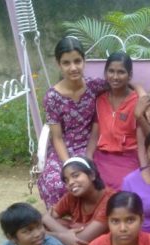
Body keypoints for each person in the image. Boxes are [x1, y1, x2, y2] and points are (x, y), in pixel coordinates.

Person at [37, 37, 109, 208]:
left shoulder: (94, 86)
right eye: (66, 63)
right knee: (56, 183)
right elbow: (57, 138)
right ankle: (61, 225)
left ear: (84, 61)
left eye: (77, 61)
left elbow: (122, 84)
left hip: (92, 146)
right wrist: (68, 165)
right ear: (58, 64)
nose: (73, 68)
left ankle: (94, 221)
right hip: (63, 149)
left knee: (101, 179)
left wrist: (143, 93)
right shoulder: (52, 97)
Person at [42, 156, 114, 245]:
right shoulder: (72, 197)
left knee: (57, 225)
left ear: (92, 175)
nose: (71, 182)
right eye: (66, 180)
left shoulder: (110, 200)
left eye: (76, 175)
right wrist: (62, 233)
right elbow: (43, 225)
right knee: (56, 226)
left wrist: (48, 219)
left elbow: (79, 242)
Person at [86, 51, 147, 190]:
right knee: (91, 186)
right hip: (102, 158)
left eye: (121, 72)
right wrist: (88, 160)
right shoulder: (100, 100)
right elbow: (94, 137)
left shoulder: (137, 101)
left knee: (121, 189)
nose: (115, 77)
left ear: (129, 75)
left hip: (127, 158)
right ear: (105, 73)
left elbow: (141, 142)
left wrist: (144, 170)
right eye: (111, 71)